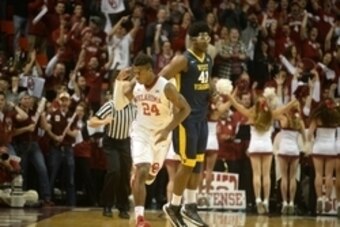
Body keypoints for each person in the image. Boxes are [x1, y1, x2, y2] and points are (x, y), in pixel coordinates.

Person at [113, 53, 191, 227]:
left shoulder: (166, 88)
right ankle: (140, 218)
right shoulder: (136, 84)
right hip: (141, 131)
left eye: (139, 72)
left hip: (161, 135)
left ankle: (139, 180)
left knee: (149, 176)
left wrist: (167, 129)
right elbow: (119, 104)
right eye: (135, 73)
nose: (136, 76)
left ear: (149, 70)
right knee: (142, 170)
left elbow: (185, 109)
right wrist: (119, 81)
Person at [159, 21, 212, 227]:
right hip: (186, 120)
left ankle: (190, 207)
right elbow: (161, 80)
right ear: (191, 38)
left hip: (202, 118)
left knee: (198, 164)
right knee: (187, 163)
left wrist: (211, 92)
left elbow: (201, 84)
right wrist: (175, 103)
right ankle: (173, 206)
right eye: (201, 36)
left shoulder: (208, 58)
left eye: (208, 36)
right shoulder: (183, 60)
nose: (206, 39)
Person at [225, 92, 298, 215]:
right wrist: (293, 100)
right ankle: (266, 202)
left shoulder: (251, 114)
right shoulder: (271, 114)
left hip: (255, 147)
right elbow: (284, 108)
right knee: (266, 175)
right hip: (267, 147)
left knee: (257, 175)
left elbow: (237, 105)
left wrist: (230, 96)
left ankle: (258, 199)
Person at [88, 91, 135, 218]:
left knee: (125, 174)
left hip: (125, 142)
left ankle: (123, 207)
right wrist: (103, 121)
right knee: (114, 171)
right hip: (111, 142)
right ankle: (107, 205)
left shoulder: (135, 107)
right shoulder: (111, 105)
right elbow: (91, 121)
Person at [308, 98, 338, 214]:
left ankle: (319, 197)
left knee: (319, 174)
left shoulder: (317, 118)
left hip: (319, 147)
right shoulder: (335, 118)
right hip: (331, 148)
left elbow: (309, 134)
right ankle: (327, 199)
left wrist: (313, 141)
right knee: (329, 175)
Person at [276, 106, 306, 215]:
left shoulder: (283, 118)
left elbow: (275, 113)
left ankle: (284, 202)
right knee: (292, 177)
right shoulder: (300, 121)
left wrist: (285, 107)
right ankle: (292, 202)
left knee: (284, 177)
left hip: (283, 150)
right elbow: (305, 137)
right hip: (294, 150)